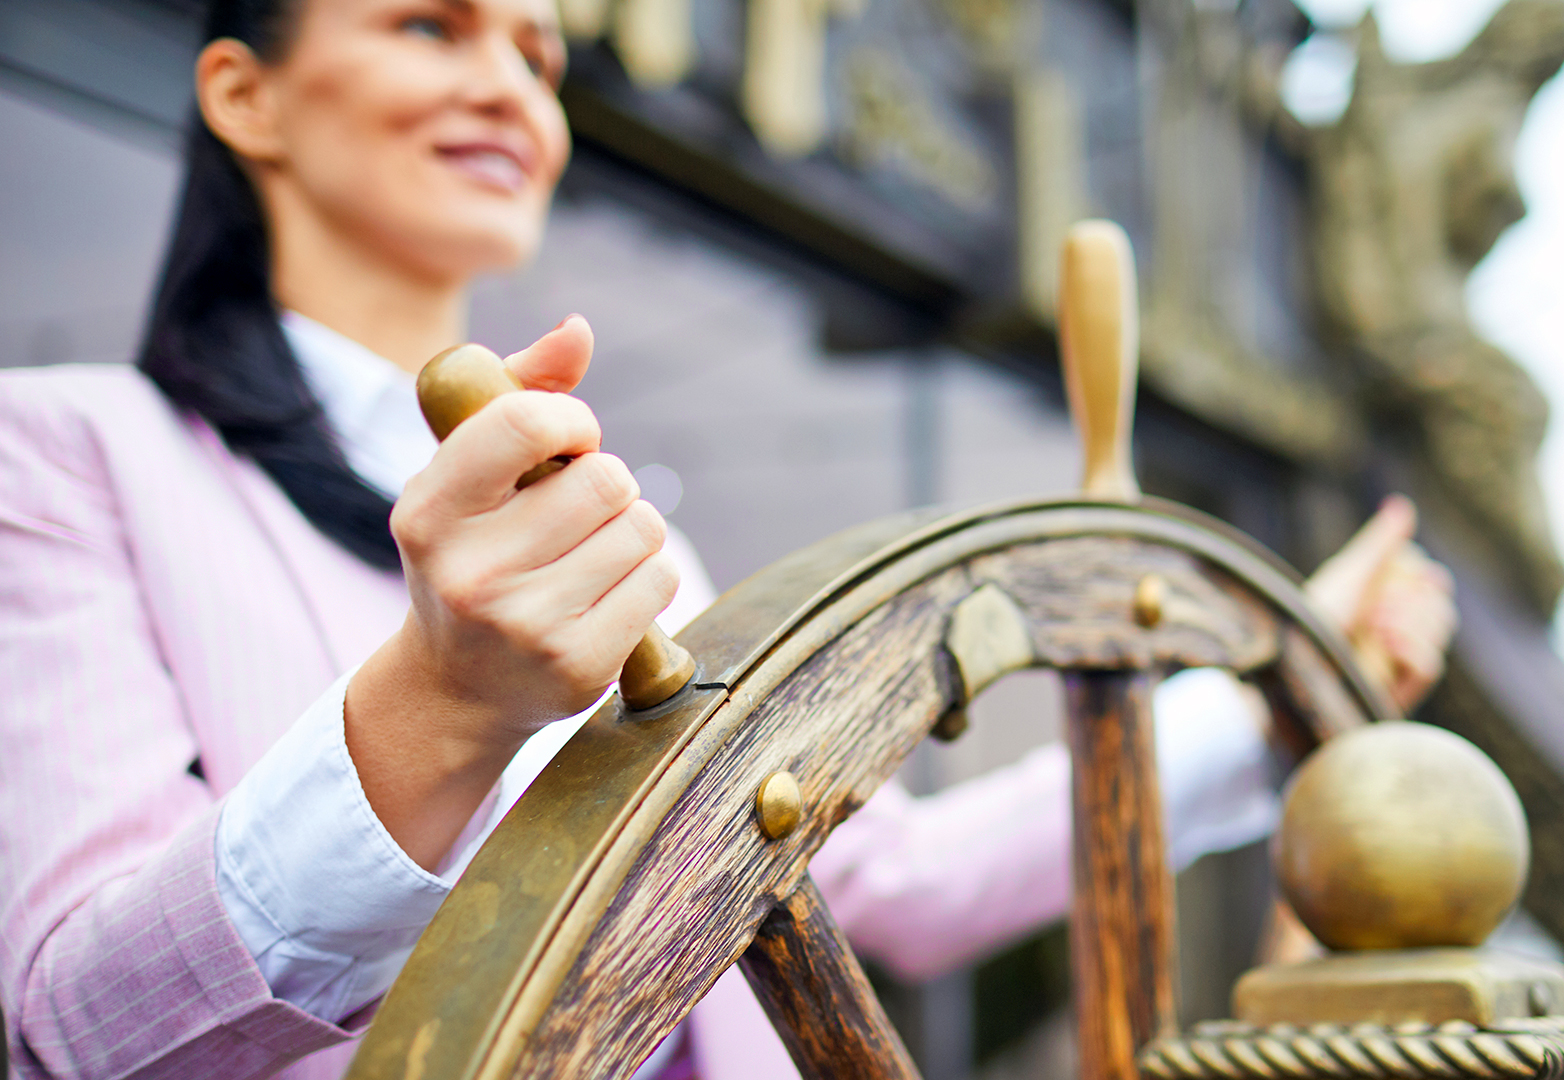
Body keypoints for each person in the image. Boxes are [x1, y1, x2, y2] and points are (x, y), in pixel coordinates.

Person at [0, 0, 1456, 1077]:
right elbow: (78, 1024)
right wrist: (437, 711)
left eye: (539, 54)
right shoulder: (65, 456)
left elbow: (896, 881)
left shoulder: (610, 537)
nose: (507, 87)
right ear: (246, 96)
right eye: (432, 28)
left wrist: (1259, 696)